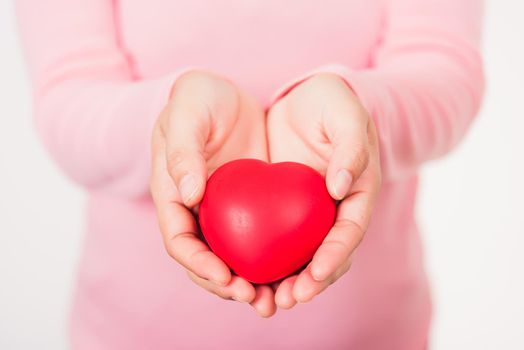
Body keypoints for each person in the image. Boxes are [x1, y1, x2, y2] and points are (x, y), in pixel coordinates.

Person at [15, 0, 484, 349]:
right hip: (133, 334)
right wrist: (166, 120)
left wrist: (359, 108)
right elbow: (67, 96)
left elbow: (444, 65)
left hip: (370, 333)